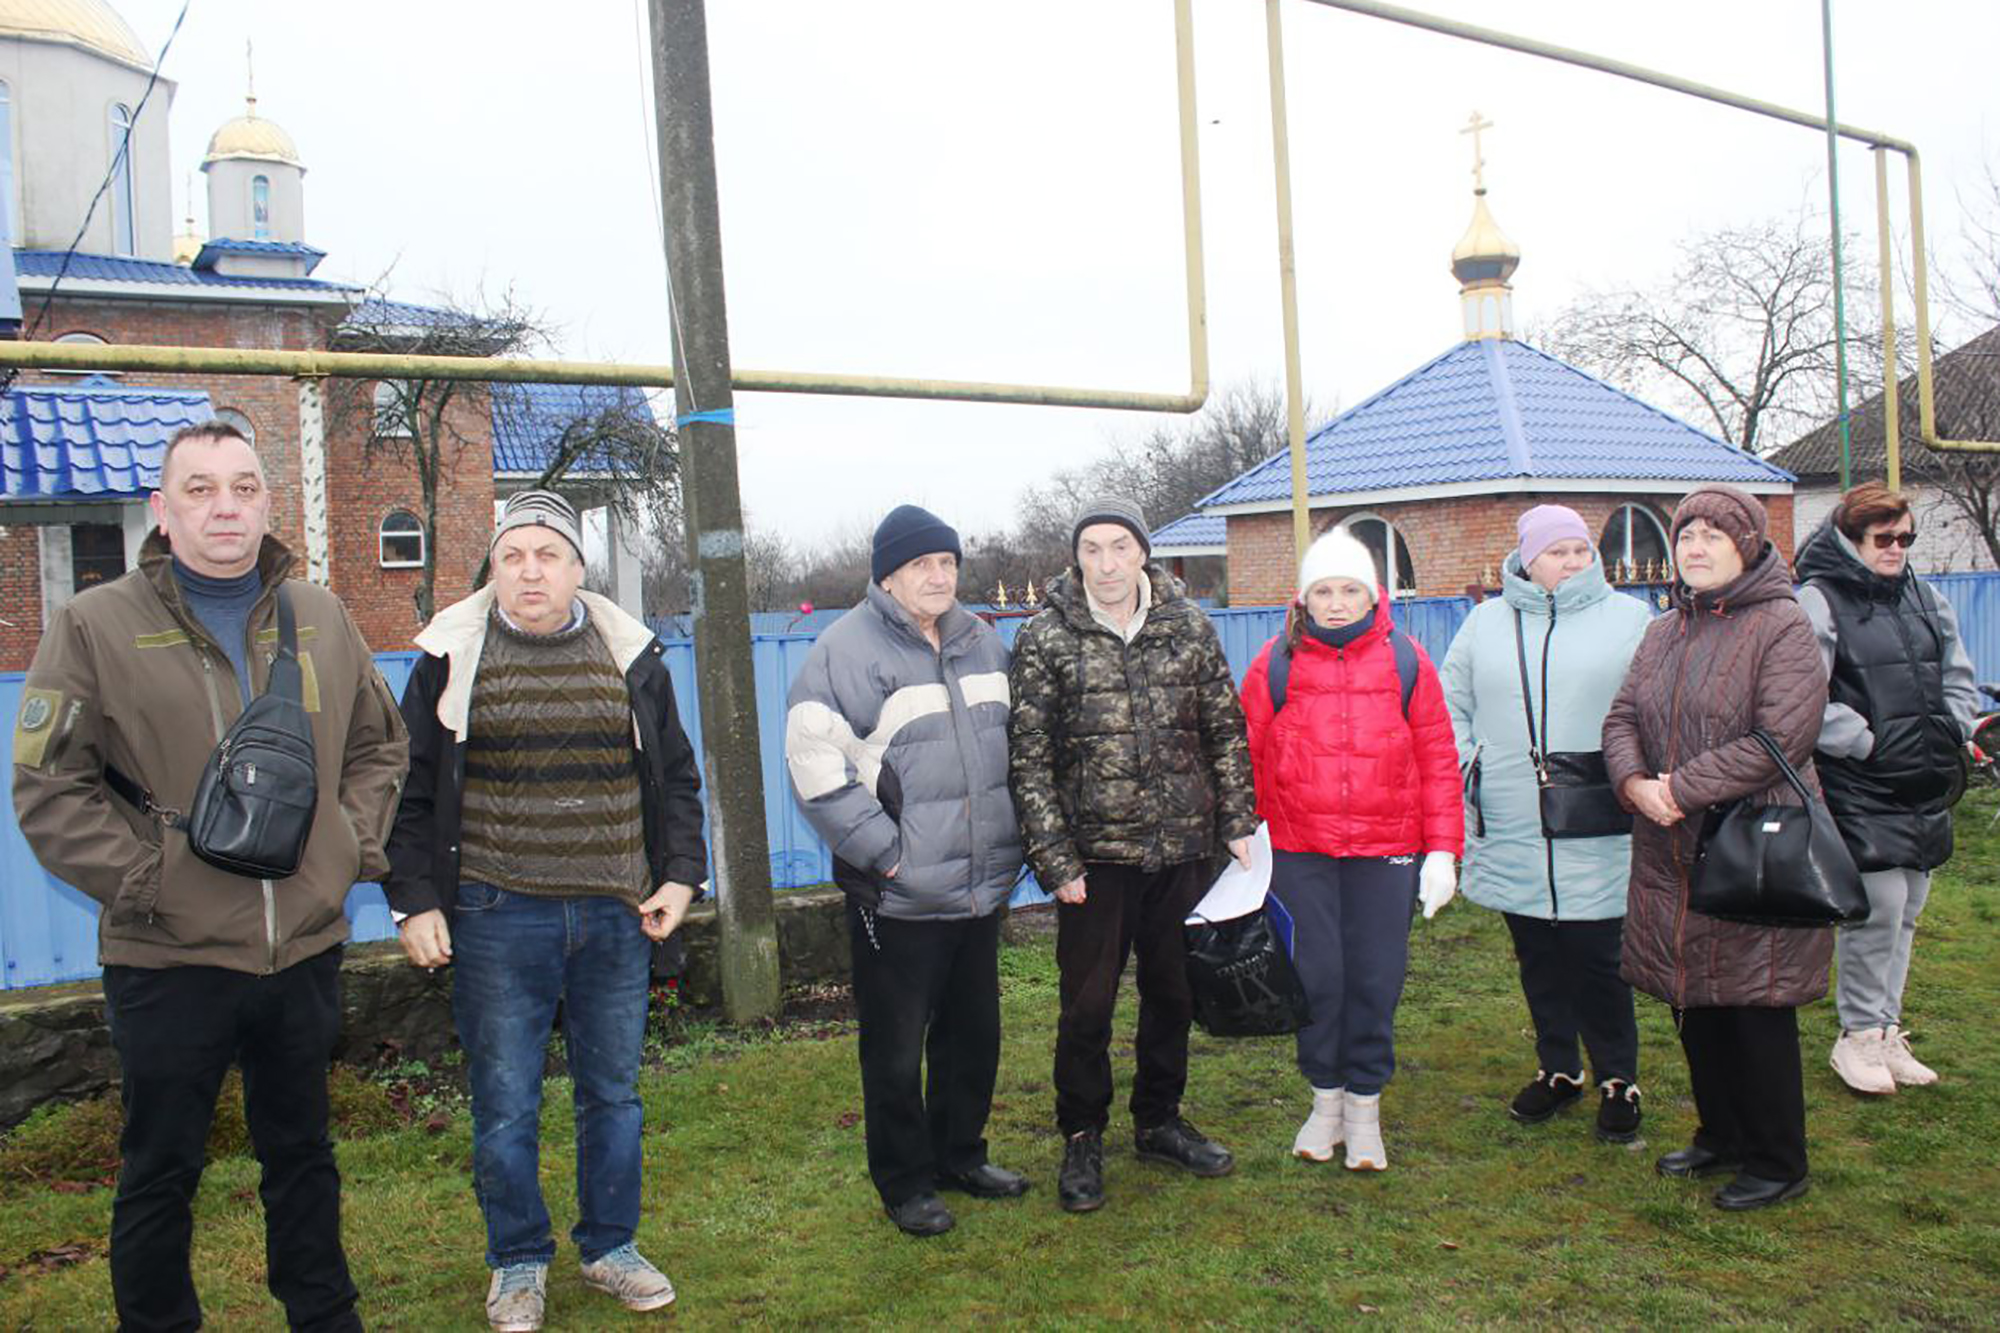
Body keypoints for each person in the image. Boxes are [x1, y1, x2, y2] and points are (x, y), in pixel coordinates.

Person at [12, 420, 407, 1332]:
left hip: (300, 946)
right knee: (161, 1167)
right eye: (199, 489)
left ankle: (323, 1314)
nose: (223, 506)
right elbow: (47, 785)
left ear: (268, 501)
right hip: (168, 954)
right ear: (163, 508)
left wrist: (345, 843)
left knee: (303, 1154)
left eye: (241, 486)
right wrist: (146, 880)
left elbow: (381, 746)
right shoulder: (93, 624)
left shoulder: (323, 615)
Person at [384, 491, 705, 1331]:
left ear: (577, 568)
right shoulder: (451, 659)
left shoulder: (632, 655)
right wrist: (413, 900)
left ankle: (610, 1246)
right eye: (514, 555)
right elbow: (407, 792)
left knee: (614, 1094)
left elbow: (676, 776)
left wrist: (682, 876)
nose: (531, 570)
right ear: (494, 567)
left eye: (548, 554)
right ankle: (519, 1261)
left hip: (614, 914)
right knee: (504, 1100)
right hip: (496, 912)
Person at [783, 504, 1027, 1238]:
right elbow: (814, 764)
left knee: (972, 1034)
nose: (938, 576)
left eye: (948, 562)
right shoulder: (843, 649)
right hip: (895, 895)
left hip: (979, 887)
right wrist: (886, 854)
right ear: (887, 574)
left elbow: (1016, 748)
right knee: (894, 1048)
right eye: (922, 564)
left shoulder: (983, 643)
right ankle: (905, 1179)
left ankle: (962, 1154)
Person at [1009, 495, 1257, 1213]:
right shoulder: (1046, 638)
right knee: (1086, 1007)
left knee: (1174, 994)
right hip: (1096, 862)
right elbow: (1028, 760)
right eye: (1093, 548)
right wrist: (1056, 859)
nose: (1107, 562)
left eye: (1120, 546)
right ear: (1076, 556)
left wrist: (1236, 821)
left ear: (1142, 551)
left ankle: (1159, 1119)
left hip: (1185, 848)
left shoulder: (1189, 625)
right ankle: (1082, 1135)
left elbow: (1225, 729)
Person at [1603, 485, 1830, 1212]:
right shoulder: (1664, 630)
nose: (1695, 548)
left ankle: (1777, 1157)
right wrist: (1635, 780)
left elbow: (1780, 737)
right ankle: (1722, 1132)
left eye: (1713, 535)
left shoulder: (1782, 625)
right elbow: (1621, 715)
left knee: (1756, 1001)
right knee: (1693, 996)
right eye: (1686, 535)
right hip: (1671, 842)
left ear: (1749, 545)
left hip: (1753, 841)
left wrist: (1679, 789)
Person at [1241, 527, 1462, 1172]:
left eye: (1349, 590)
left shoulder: (1407, 661)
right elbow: (1245, 754)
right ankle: (1324, 1102)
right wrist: (1240, 832)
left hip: (1385, 850)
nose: (1336, 603)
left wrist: (1443, 851)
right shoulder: (1274, 664)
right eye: (1323, 590)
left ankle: (1364, 1107)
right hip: (1299, 850)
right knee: (1316, 979)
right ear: (1304, 598)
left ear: (1373, 596)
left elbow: (1438, 761)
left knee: (1374, 979)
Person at [1440, 505, 1652, 1142]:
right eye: (1557, 551)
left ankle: (1619, 1076)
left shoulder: (1631, 619)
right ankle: (1559, 1068)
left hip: (1598, 815)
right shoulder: (1484, 623)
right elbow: (1450, 704)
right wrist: (1471, 762)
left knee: (1599, 955)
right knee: (1537, 953)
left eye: (1581, 550)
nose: (1572, 562)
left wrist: (1633, 770)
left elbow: (1655, 706)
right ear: (1527, 557)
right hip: (1511, 818)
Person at [1794, 482, 1977, 1095]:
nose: (1897, 548)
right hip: (1860, 782)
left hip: (1925, 780)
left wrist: (1955, 727)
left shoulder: (1924, 597)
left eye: (1905, 538)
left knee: (1910, 910)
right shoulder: (1818, 600)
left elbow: (1958, 674)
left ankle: (1885, 1029)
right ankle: (1857, 1038)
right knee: (1879, 907)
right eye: (1883, 538)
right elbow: (1804, 697)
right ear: (1851, 538)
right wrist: (1867, 743)